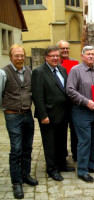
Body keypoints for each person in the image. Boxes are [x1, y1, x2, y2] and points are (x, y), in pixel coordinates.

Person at [31, 45, 75, 182]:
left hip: (62, 113)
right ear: (46, 57)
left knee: (61, 141)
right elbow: (37, 96)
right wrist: (43, 115)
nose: (56, 58)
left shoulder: (62, 69)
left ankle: (61, 164)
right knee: (50, 143)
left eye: (57, 55)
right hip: (48, 115)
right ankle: (52, 169)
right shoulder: (39, 72)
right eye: (53, 56)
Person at [0, 44, 38, 199]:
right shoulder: (3, 72)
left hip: (27, 114)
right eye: (16, 55)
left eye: (22, 55)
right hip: (12, 115)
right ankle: (16, 183)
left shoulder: (29, 70)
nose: (20, 58)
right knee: (16, 150)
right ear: (11, 57)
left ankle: (25, 175)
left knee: (27, 147)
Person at [66, 46, 94, 183]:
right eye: (88, 54)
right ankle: (82, 170)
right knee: (84, 141)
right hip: (81, 111)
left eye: (93, 54)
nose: (91, 56)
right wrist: (86, 101)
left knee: (93, 140)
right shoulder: (75, 70)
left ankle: (90, 164)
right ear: (82, 56)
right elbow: (70, 90)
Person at [57, 40, 78, 162]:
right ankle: (62, 155)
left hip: (74, 102)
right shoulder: (54, 64)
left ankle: (76, 154)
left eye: (67, 48)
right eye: (62, 48)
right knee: (62, 131)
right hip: (61, 104)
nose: (65, 50)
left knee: (75, 130)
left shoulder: (74, 63)